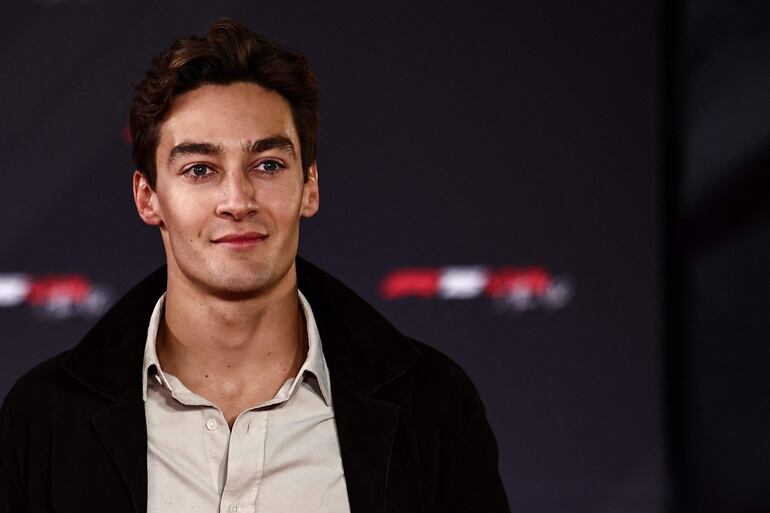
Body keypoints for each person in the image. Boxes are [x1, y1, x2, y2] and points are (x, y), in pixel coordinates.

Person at [0, 18, 510, 513]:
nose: (236, 199)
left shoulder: (434, 407)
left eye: (267, 165)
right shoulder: (44, 419)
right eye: (200, 170)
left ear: (309, 185)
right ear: (148, 196)